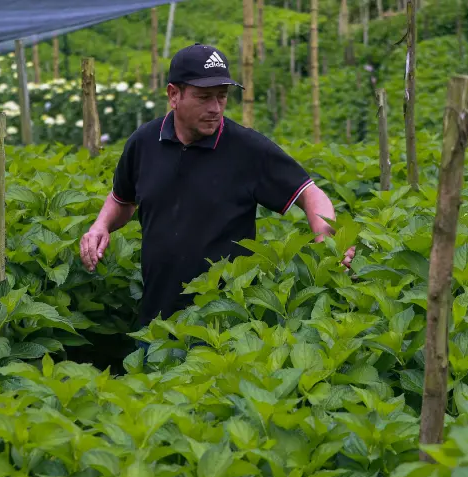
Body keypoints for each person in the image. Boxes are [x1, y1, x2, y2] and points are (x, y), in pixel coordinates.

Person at [80, 43, 355, 330]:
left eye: (222, 97)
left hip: (224, 324)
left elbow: (310, 194)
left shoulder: (247, 149)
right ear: (174, 95)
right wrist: (100, 226)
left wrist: (329, 243)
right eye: (203, 97)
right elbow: (122, 200)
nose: (215, 108)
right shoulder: (144, 142)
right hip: (156, 320)